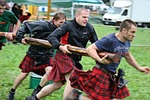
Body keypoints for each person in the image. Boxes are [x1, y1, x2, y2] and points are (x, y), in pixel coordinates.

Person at [26, 8, 98, 100]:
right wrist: (60, 46)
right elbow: (51, 37)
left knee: (57, 84)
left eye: (87, 17)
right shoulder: (67, 25)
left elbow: (96, 43)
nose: (86, 19)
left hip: (75, 58)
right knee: (72, 79)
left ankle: (34, 98)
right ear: (77, 16)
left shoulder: (89, 28)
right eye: (84, 17)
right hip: (62, 57)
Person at [69, 19, 150, 100]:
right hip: (101, 72)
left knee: (115, 98)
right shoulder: (109, 40)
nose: (134, 35)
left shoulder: (127, 42)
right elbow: (90, 49)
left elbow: (127, 55)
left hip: (112, 75)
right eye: (132, 32)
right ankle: (77, 97)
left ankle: (77, 96)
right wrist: (99, 59)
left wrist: (140, 68)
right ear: (124, 30)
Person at [7, 12, 66, 100]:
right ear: (54, 20)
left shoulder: (62, 30)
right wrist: (20, 38)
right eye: (60, 23)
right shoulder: (43, 25)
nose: (62, 25)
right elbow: (26, 25)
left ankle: (37, 91)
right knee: (23, 74)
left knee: (49, 71)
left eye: (64, 23)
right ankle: (12, 91)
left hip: (47, 55)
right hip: (34, 54)